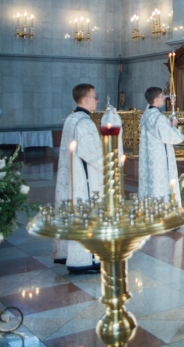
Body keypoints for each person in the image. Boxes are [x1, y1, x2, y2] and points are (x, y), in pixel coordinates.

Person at [53, 84, 103, 274]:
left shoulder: (71, 118)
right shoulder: (85, 122)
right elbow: (91, 153)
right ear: (86, 99)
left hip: (72, 177)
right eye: (95, 97)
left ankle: (69, 254)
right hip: (84, 178)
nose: (97, 101)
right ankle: (85, 260)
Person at [138, 87, 184, 204]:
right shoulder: (159, 118)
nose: (164, 98)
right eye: (161, 96)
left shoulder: (146, 115)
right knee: (160, 183)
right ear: (156, 99)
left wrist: (167, 124)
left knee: (150, 181)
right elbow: (170, 136)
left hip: (149, 156)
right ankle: (162, 207)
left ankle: (149, 206)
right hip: (159, 158)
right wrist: (174, 126)